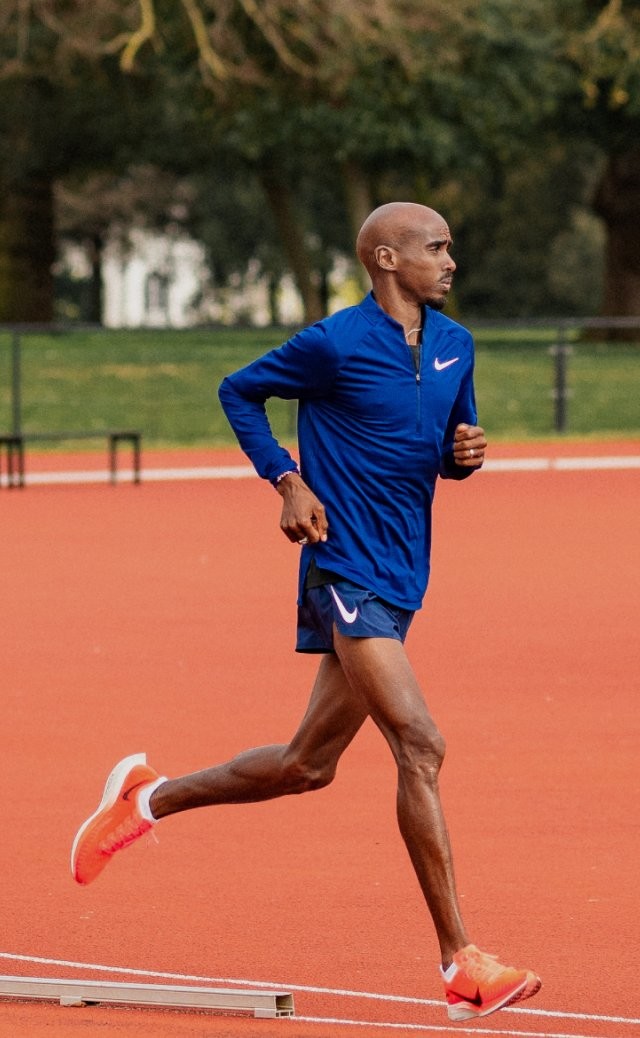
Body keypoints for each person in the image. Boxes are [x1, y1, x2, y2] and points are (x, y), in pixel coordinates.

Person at [71, 201, 541, 1021]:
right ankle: (460, 964)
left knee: (306, 766)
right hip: (342, 564)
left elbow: (443, 450)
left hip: (403, 572)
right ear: (387, 259)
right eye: (436, 248)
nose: (450, 261)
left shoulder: (455, 345)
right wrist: (287, 480)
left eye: (450, 248)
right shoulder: (333, 343)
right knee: (420, 744)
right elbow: (238, 391)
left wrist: (464, 457)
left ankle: (145, 799)